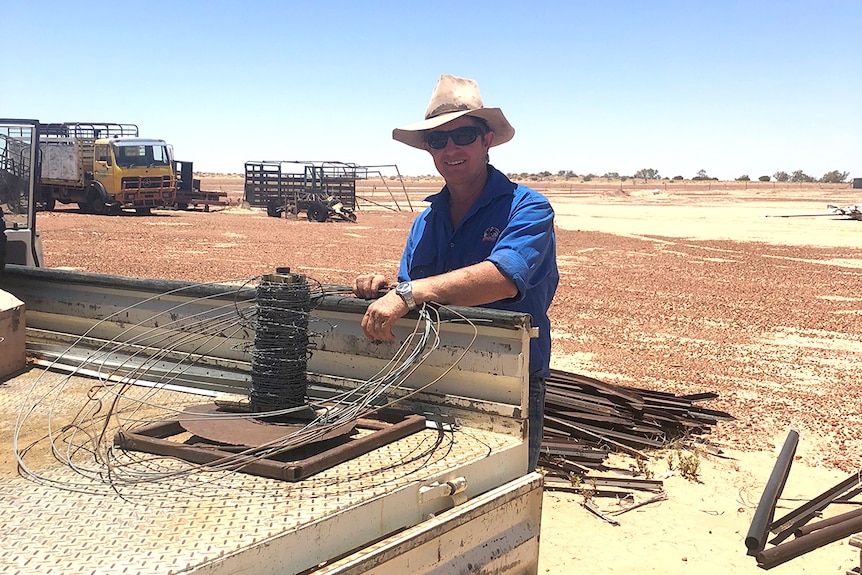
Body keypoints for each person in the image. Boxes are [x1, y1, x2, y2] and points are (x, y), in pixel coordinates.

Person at [353, 74, 559, 472]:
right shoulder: (427, 220)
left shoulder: (529, 208)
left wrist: (408, 294)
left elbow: (501, 278)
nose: (451, 148)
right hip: (430, 371)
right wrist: (387, 290)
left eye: (463, 134)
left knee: (500, 493)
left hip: (506, 378)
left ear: (487, 141)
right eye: (437, 140)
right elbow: (417, 291)